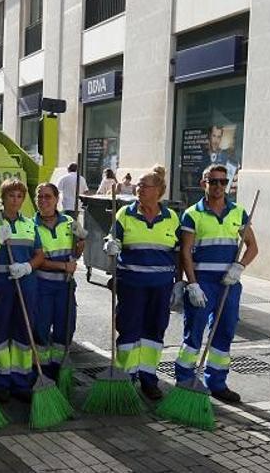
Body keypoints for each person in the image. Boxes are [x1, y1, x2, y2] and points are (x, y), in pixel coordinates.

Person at [174, 164, 258, 404]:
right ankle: (184, 380)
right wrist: (191, 284)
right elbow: (186, 253)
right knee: (195, 332)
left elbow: (253, 247)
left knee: (225, 332)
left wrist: (240, 266)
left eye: (223, 181)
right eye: (214, 181)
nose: (219, 186)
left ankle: (217, 382)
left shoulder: (239, 213)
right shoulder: (193, 214)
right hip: (203, 282)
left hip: (228, 283)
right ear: (204, 183)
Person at [103, 165, 179, 400]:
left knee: (154, 331)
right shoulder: (125, 213)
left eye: (145, 186)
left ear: (159, 191)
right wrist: (110, 243)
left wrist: (180, 282)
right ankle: (126, 378)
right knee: (128, 330)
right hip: (131, 284)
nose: (139, 188)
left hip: (161, 286)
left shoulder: (172, 217)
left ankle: (148, 379)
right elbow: (112, 236)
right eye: (138, 185)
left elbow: (178, 251)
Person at [0, 178, 44, 403]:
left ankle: (21, 380)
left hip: (26, 283)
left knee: (24, 332)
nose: (15, 200)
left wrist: (27, 266)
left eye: (20, 196)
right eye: (11, 195)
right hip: (0, 284)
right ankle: (0, 381)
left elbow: (40, 255)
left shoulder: (30, 224)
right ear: (3, 198)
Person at [33, 183, 86, 379]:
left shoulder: (69, 222)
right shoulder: (31, 226)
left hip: (65, 287)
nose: (44, 201)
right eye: (40, 197)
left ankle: (59, 371)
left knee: (65, 330)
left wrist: (80, 243)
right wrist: (63, 266)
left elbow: (76, 253)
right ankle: (41, 373)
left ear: (56, 199)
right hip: (42, 287)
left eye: (48, 197)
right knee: (41, 329)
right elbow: (37, 261)